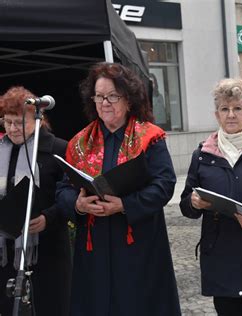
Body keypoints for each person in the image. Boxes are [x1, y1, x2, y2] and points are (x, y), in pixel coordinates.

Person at [55, 63, 181, 316]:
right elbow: (62, 190)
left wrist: (125, 204)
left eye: (113, 96)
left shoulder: (150, 137)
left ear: (129, 100)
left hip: (139, 246)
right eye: (99, 96)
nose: (105, 103)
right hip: (94, 251)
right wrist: (78, 205)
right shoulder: (79, 142)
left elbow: (164, 184)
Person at [179, 78, 242, 316]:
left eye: (237, 108)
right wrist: (194, 203)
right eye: (225, 109)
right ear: (217, 115)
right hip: (220, 257)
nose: (231, 114)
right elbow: (186, 204)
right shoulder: (202, 154)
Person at [0, 86, 72, 316]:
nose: (13, 128)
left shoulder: (58, 149)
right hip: (8, 251)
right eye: (8, 122)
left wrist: (48, 217)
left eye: (20, 122)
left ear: (38, 120)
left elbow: (71, 194)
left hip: (48, 248)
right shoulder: (1, 151)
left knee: (50, 306)